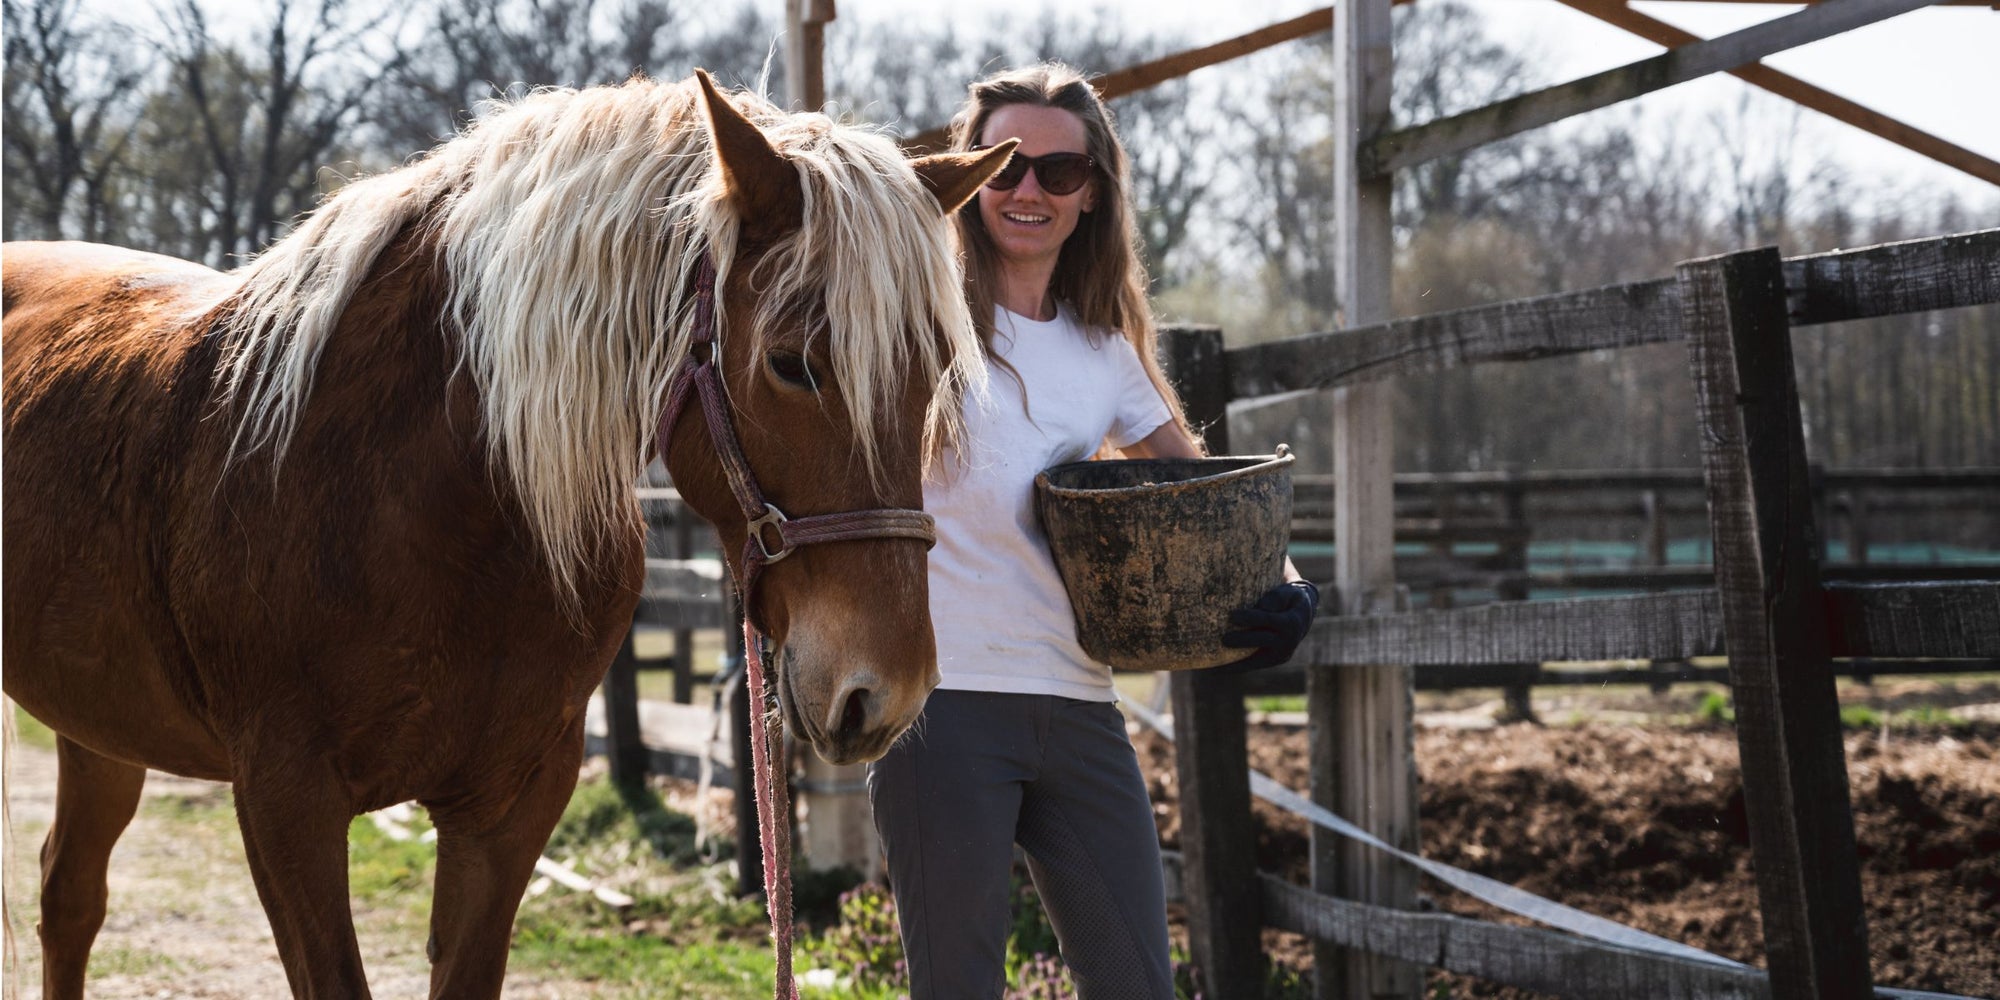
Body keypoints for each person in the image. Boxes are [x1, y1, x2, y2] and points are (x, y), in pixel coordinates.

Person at [865, 63, 1317, 999]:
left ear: (1091, 195)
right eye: (1003, 166)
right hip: (943, 709)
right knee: (958, 989)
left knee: (1136, 982)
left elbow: (1205, 501)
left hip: (1079, 708)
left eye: (1058, 173)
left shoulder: (1104, 350)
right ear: (967, 176)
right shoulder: (905, 327)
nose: (1028, 189)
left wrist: (1287, 579)